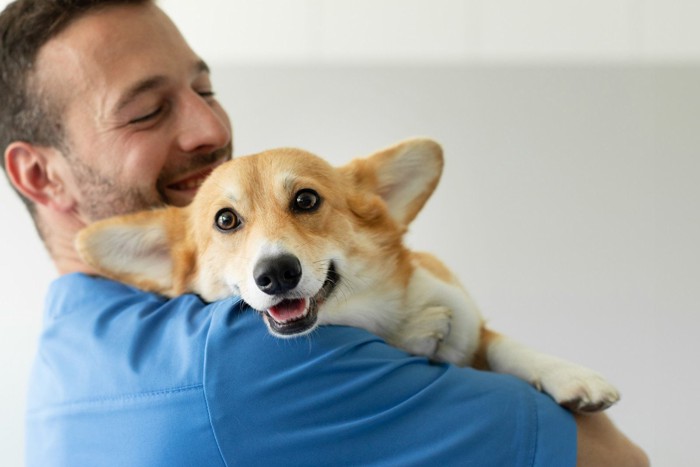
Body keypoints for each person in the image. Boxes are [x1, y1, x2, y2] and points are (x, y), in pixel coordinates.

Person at [1, 1, 648, 465]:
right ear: (39, 173)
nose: (209, 130)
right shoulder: (243, 353)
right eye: (146, 111)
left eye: (205, 87)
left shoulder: (61, 364)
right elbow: (613, 457)